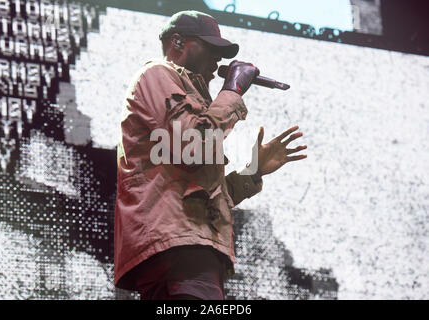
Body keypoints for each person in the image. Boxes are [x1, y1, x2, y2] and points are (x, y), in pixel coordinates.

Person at [114, 10, 307, 300]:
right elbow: (193, 145)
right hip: (176, 251)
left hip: (191, 250)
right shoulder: (156, 74)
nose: (218, 59)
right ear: (177, 43)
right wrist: (232, 92)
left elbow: (204, 194)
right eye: (210, 48)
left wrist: (253, 171)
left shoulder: (197, 102)